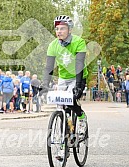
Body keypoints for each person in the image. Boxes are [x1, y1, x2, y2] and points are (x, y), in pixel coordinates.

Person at [41, 15, 87, 144]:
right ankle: (67, 132)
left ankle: (81, 117)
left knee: (71, 99)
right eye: (57, 29)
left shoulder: (79, 42)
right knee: (61, 105)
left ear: (70, 30)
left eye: (62, 28)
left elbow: (79, 64)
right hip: (63, 77)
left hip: (77, 76)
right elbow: (49, 67)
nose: (59, 31)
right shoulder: (53, 45)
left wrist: (78, 86)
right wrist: (45, 84)